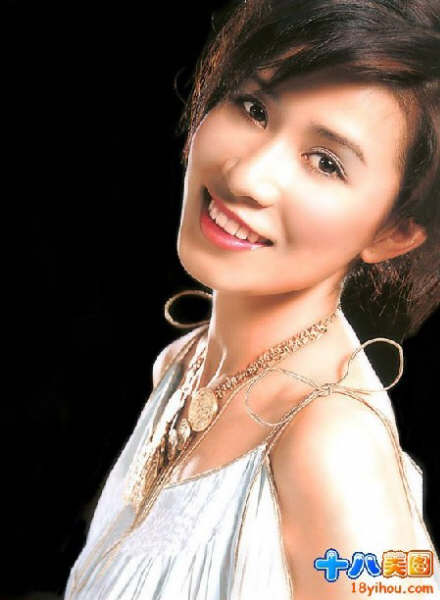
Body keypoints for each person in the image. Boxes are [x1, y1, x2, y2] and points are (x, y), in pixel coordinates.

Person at [64, 0, 440, 598]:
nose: (245, 177)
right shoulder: (183, 365)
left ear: (394, 232)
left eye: (326, 163)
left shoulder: (332, 444)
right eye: (254, 108)